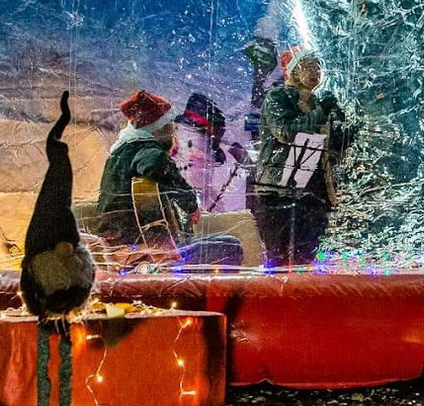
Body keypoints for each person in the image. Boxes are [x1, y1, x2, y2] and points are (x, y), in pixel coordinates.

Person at [96, 88, 245, 267]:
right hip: (144, 252)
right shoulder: (147, 151)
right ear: (157, 127)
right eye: (169, 124)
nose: (173, 129)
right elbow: (155, 165)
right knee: (231, 246)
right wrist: (190, 204)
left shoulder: (120, 152)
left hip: (121, 246)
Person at [253, 47, 350, 266]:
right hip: (281, 190)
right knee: (279, 257)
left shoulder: (318, 103)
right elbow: (286, 132)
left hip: (313, 190)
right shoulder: (277, 97)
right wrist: (321, 113)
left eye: (318, 66)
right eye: (309, 65)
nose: (316, 71)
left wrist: (345, 125)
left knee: (307, 256)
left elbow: (334, 145)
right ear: (294, 70)